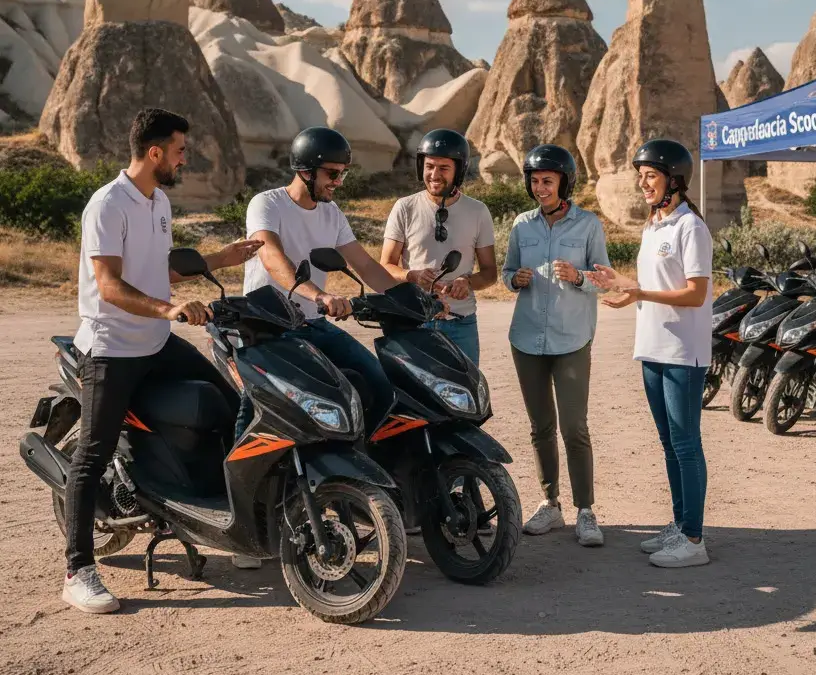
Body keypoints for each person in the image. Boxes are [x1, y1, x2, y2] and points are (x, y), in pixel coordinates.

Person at [63, 108, 264, 615]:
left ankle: (233, 529)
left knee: (231, 403)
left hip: (154, 342)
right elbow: (108, 285)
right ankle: (78, 569)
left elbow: (160, 267)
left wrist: (220, 259)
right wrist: (168, 309)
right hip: (112, 347)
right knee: (91, 453)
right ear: (155, 152)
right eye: (179, 149)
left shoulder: (158, 201)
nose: (184, 157)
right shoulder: (107, 205)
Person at [586, 139, 712, 568]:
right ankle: (680, 525)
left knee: (686, 442)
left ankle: (694, 539)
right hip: (653, 348)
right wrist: (622, 286)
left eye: (650, 176)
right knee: (669, 443)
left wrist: (637, 290)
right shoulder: (655, 227)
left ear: (674, 180)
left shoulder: (690, 228)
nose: (643, 184)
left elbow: (695, 294)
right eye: (640, 176)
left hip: (683, 351)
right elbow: (658, 288)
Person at [242, 125, 400, 445]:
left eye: (342, 174)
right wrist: (319, 294)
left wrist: (408, 298)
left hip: (312, 324)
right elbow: (272, 256)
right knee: (260, 407)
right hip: (265, 326)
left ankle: (359, 467)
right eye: (331, 173)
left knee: (379, 385)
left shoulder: (332, 214)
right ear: (305, 170)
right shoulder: (267, 204)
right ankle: (236, 484)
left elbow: (366, 264)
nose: (338, 182)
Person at [502, 144, 611, 548]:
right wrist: (515, 280)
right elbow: (507, 271)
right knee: (540, 428)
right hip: (526, 338)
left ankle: (586, 510)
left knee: (574, 427)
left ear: (564, 182)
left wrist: (579, 276)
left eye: (547, 180)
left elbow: (603, 276)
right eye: (534, 181)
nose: (540, 187)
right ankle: (551, 503)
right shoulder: (521, 225)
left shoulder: (588, 225)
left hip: (571, 338)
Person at [380, 129, 497, 365]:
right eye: (429, 166)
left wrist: (467, 282)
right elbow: (386, 265)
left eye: (444, 168)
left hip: (460, 322)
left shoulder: (478, 211)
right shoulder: (405, 207)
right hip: (413, 320)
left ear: (459, 171)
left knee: (468, 395)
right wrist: (411, 275)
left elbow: (490, 273)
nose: (434, 174)